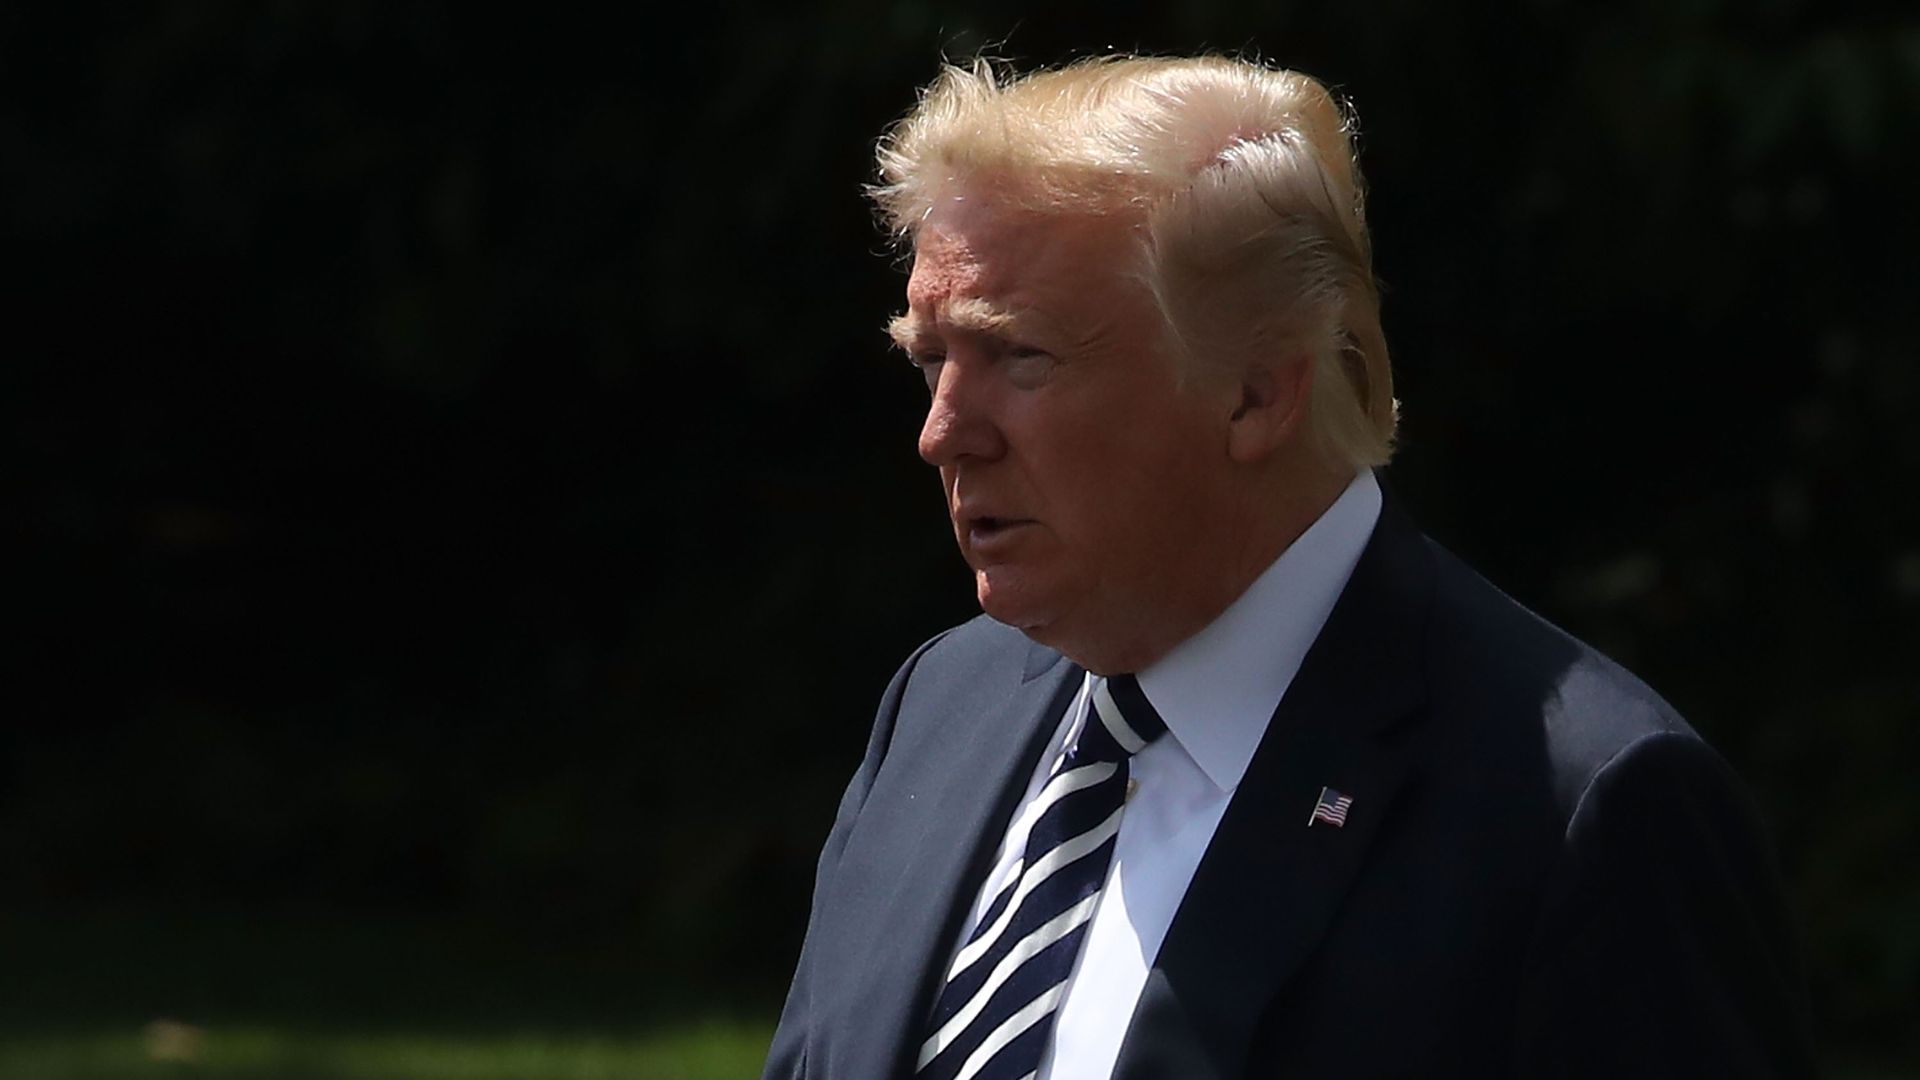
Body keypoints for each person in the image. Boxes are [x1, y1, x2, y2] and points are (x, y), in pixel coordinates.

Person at [763, 54, 1815, 1079]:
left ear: (1258, 393)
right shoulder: (943, 706)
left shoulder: (1584, 808)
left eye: (1020, 355)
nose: (943, 435)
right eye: (932, 360)